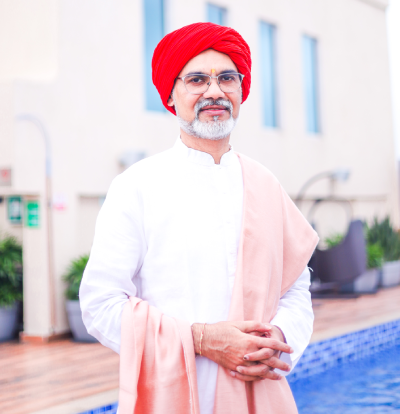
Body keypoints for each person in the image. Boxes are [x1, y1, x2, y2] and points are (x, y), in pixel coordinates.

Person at [80, 22, 318, 414]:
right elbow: (99, 304)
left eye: (227, 78)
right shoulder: (137, 186)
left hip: (260, 390)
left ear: (240, 90)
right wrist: (202, 340)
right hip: (172, 394)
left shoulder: (265, 185)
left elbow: (295, 288)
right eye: (196, 80)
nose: (214, 91)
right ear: (170, 95)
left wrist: (276, 337)